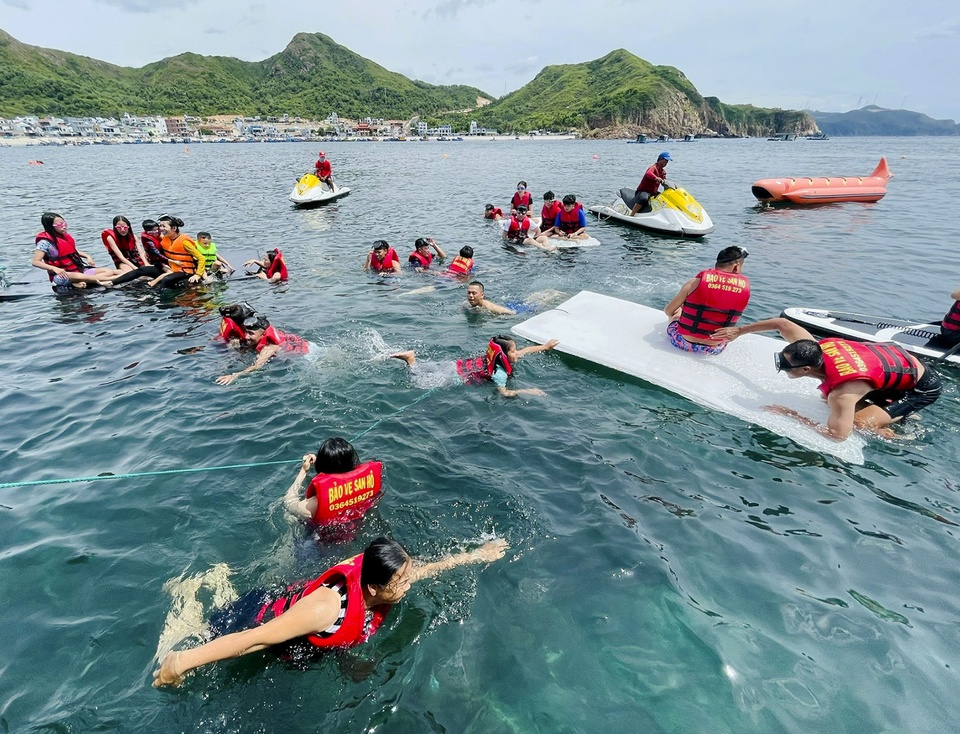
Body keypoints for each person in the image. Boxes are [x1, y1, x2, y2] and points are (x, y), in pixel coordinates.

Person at [152, 536, 509, 687]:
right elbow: (253, 640)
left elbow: (427, 569)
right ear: (374, 588)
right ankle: (192, 591)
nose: (408, 585)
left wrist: (476, 555)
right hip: (257, 617)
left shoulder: (378, 581)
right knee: (202, 628)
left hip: (299, 632)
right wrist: (182, 662)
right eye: (400, 583)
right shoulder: (327, 607)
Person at [713, 318, 942, 440]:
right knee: (829, 400)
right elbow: (781, 324)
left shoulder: (842, 393)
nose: (782, 369)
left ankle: (892, 428)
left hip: (921, 386)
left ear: (805, 370)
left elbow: (838, 435)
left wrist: (791, 415)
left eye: (785, 367)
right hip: (893, 368)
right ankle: (883, 408)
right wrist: (739, 331)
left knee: (857, 423)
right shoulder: (815, 347)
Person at [390, 335, 560, 398]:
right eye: (514, 351)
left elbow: (526, 350)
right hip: (454, 377)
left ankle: (412, 358)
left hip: (454, 365)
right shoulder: (500, 373)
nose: (517, 353)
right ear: (503, 355)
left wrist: (545, 347)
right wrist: (529, 391)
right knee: (420, 383)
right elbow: (505, 393)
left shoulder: (493, 358)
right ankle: (410, 361)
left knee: (426, 368)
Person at [663, 246, 750, 355]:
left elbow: (668, 311)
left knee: (677, 311)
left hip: (683, 342)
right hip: (715, 348)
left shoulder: (694, 282)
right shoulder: (744, 289)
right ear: (736, 266)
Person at [283, 437, 383, 531]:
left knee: (289, 517)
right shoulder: (367, 481)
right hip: (356, 529)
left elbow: (288, 502)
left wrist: (304, 470)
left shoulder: (315, 503)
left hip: (321, 543)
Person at [32, 211, 122, 290]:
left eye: (64, 223)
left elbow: (71, 251)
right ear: (50, 226)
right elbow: (35, 262)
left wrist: (87, 256)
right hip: (61, 275)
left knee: (107, 271)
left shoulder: (63, 237)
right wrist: (54, 268)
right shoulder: (45, 242)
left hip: (78, 270)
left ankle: (84, 282)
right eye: (59, 225)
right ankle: (114, 278)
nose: (63, 227)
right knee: (77, 276)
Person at [215, 316, 316, 385]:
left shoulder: (269, 348)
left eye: (251, 333)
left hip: (310, 356)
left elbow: (257, 366)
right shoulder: (264, 334)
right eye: (246, 332)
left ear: (263, 334)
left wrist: (234, 375)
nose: (246, 336)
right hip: (306, 346)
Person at [147, 215, 205, 288]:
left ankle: (154, 296)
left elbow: (201, 258)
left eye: (164, 226)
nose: (161, 228)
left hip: (185, 270)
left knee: (167, 279)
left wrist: (198, 275)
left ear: (174, 228)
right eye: (160, 226)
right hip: (172, 268)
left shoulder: (185, 242)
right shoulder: (165, 238)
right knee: (143, 270)